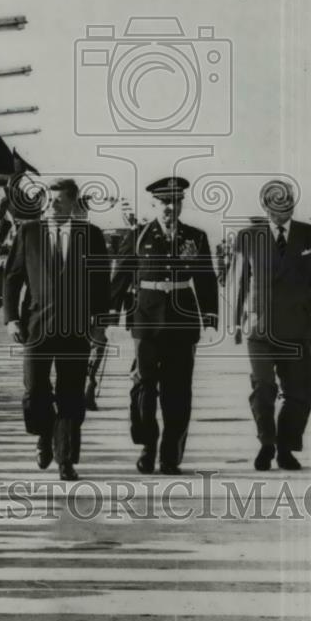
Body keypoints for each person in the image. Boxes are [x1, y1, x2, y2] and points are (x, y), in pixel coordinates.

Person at [110, 177, 218, 475]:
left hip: (182, 321)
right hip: (146, 319)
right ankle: (148, 443)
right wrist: (109, 315)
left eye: (177, 201)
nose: (171, 207)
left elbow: (206, 278)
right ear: (154, 204)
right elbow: (120, 277)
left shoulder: (195, 237)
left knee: (178, 390)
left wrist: (210, 316)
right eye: (165, 202)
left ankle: (170, 456)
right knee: (144, 387)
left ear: (182, 204)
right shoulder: (138, 235)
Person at [3, 179, 110, 481]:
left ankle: (66, 459)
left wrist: (100, 324)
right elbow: (12, 278)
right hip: (36, 327)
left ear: (74, 203)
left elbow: (101, 284)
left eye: (60, 201)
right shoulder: (29, 233)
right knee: (34, 390)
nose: (52, 205)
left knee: (71, 394)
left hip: (76, 330)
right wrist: (11, 318)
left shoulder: (91, 236)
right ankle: (43, 432)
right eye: (49, 200)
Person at [234, 179, 311, 471]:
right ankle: (266, 442)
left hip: (298, 326)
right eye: (277, 211)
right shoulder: (247, 236)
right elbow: (239, 282)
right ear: (265, 208)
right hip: (260, 328)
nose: (283, 215)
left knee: (299, 392)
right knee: (263, 388)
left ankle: (287, 447)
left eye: (288, 209)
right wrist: (235, 322)